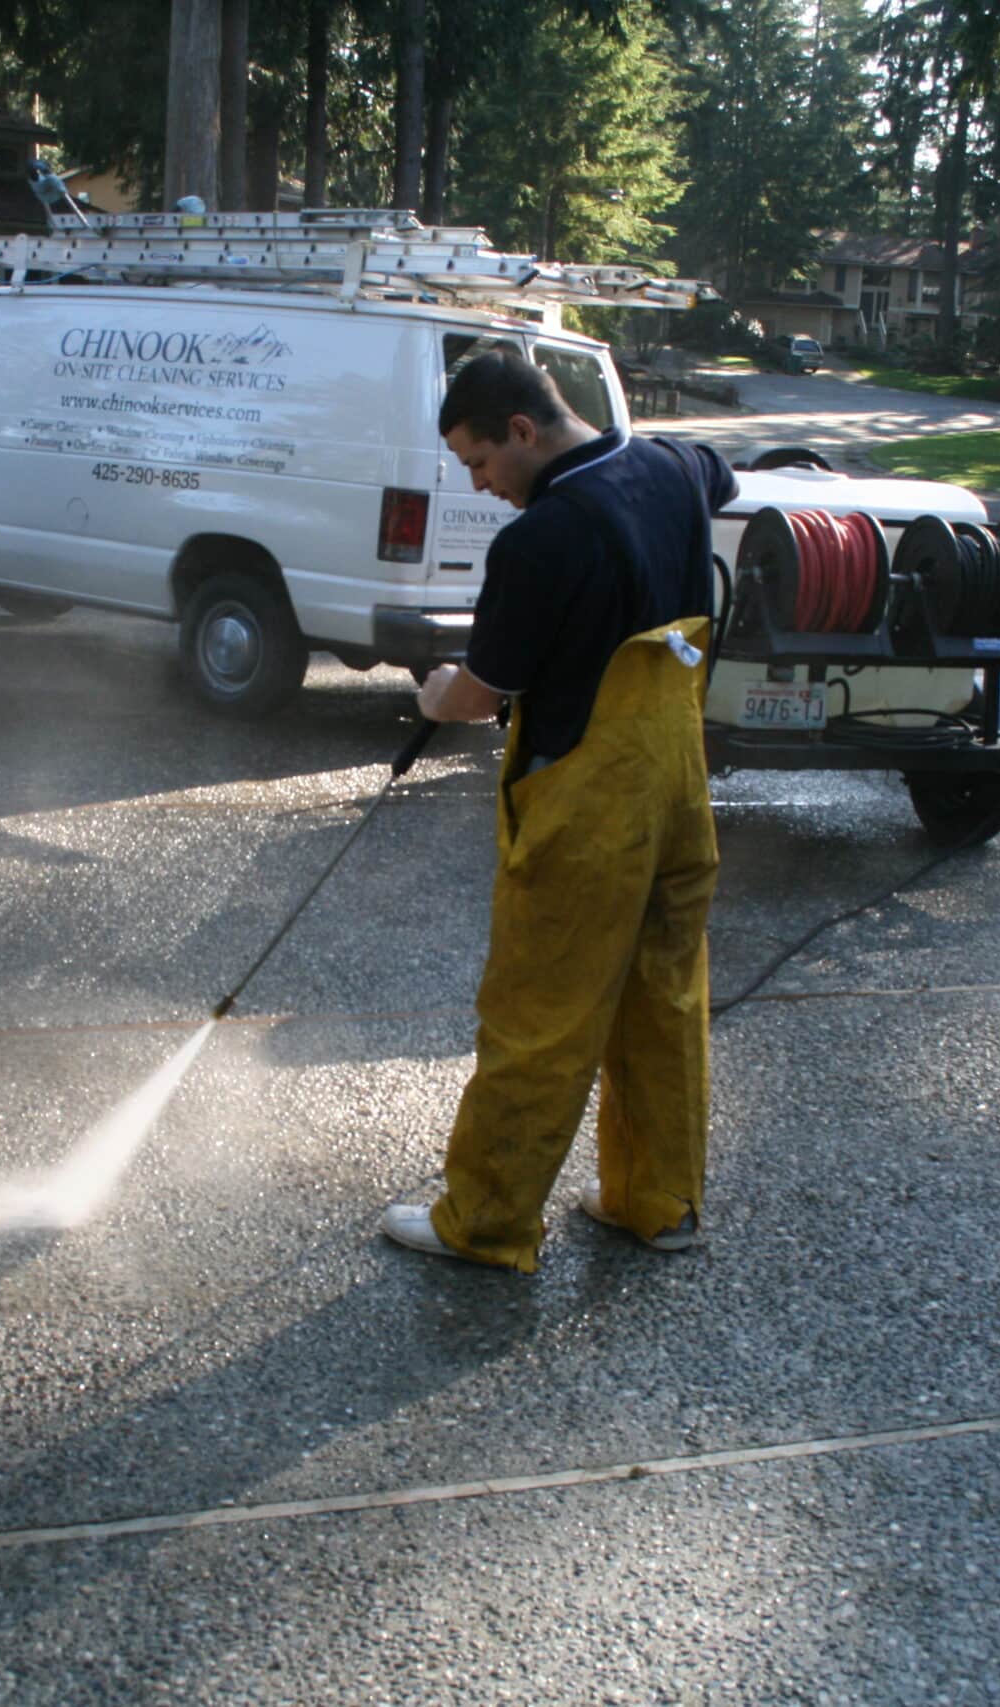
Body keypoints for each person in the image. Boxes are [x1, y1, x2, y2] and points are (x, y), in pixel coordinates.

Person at [382, 349, 737, 1272]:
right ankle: (658, 1200)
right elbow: (724, 473)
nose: (481, 483)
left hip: (592, 805)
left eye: (481, 461)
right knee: (664, 997)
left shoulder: (542, 538)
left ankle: (487, 1221)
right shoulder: (671, 467)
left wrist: (432, 694)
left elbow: (479, 692)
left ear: (525, 431)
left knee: (539, 1012)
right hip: (679, 790)